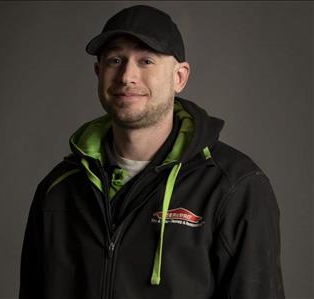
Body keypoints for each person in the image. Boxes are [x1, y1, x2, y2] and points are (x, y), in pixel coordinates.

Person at [19, 5, 285, 299]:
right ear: (98, 72)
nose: (126, 76)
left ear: (179, 77)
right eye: (115, 60)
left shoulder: (234, 186)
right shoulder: (58, 189)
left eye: (146, 60)